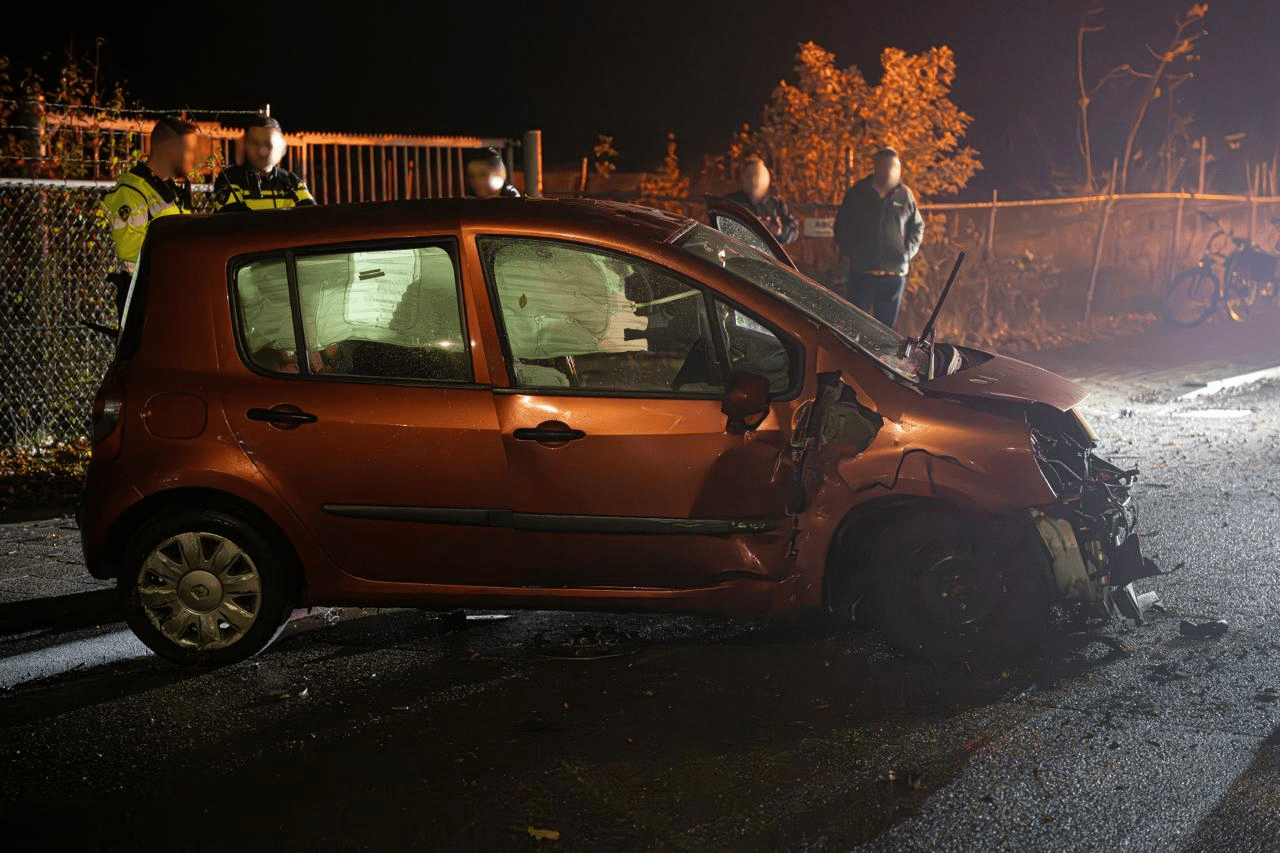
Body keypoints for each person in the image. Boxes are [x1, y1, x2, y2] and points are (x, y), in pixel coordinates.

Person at [100, 116, 199, 314]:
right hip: (146, 300)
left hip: (172, 293)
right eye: (189, 150)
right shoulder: (132, 191)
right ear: (170, 150)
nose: (194, 158)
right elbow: (130, 253)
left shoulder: (169, 189)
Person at [833, 147, 925, 328]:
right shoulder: (859, 192)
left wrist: (907, 253)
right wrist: (850, 252)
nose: (890, 171)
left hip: (894, 275)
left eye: (894, 167)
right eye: (885, 166)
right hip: (862, 273)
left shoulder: (904, 194)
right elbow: (842, 225)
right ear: (877, 166)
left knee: (886, 332)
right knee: (855, 327)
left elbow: (917, 226)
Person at [214, 115, 316, 211]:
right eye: (255, 143)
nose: (261, 151)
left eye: (268, 144)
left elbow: (312, 215)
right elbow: (234, 219)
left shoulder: (292, 181)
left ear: (281, 148)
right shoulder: (230, 179)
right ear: (244, 145)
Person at [725, 156, 799, 246]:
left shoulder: (777, 205)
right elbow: (721, 226)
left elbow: (793, 230)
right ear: (743, 178)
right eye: (751, 177)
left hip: (767, 253)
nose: (755, 181)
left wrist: (779, 231)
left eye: (759, 177)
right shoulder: (731, 202)